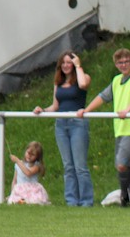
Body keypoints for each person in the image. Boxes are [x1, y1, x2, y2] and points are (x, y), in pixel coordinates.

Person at [78, 48, 130, 208]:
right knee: (128, 166)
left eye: (126, 61)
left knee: (123, 164)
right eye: (120, 62)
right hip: (121, 129)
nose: (123, 65)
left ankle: (125, 196)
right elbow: (103, 97)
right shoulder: (117, 80)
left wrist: (128, 109)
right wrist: (87, 110)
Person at [34, 51, 94, 207]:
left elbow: (83, 85)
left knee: (80, 166)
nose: (66, 65)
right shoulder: (58, 83)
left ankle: (86, 201)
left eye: (69, 62)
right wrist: (43, 110)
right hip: (61, 124)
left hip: (77, 124)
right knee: (68, 166)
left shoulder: (83, 77)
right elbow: (55, 106)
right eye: (64, 63)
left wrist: (78, 66)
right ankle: (71, 201)